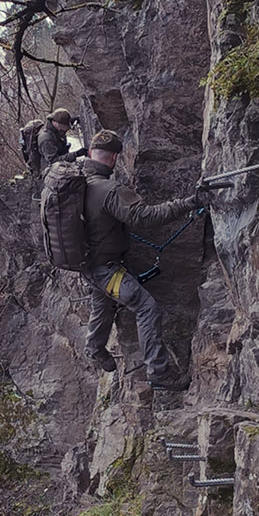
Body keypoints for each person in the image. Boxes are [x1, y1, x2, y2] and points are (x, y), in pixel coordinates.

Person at [78, 129, 209, 389]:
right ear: (114, 158)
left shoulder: (77, 184)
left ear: (92, 153)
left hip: (86, 264)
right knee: (146, 307)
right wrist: (189, 203)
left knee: (103, 303)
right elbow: (145, 217)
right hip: (105, 269)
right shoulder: (109, 190)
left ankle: (94, 347)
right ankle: (158, 373)